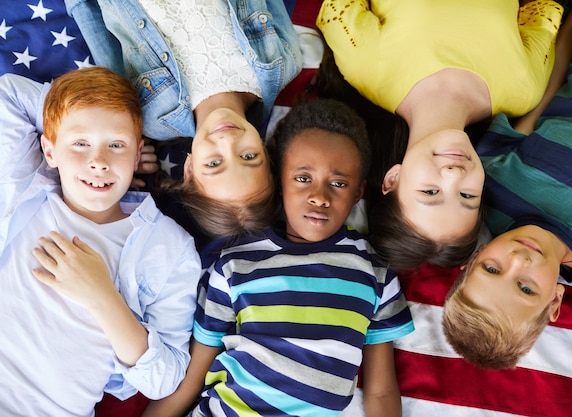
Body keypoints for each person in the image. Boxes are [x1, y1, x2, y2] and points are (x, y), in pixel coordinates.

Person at [141, 99, 415, 417]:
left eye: (338, 183)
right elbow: (192, 377)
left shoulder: (374, 273)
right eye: (302, 178)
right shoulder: (234, 265)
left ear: (358, 193)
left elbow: (381, 391)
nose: (319, 197)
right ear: (280, 180)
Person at [0, 67, 202, 416]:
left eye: (116, 146)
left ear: (137, 155)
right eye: (80, 143)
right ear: (49, 150)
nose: (99, 162)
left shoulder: (170, 247)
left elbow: (164, 380)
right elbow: (10, 93)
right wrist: (70, 118)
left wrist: (102, 297)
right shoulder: (27, 185)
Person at [316, 0, 565, 270]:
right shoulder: (524, 92)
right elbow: (543, 11)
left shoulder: (365, 67)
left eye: (430, 191)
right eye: (467, 196)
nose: (455, 174)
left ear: (393, 179)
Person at [64, 0, 302, 239]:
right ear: (265, 150)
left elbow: (103, 40)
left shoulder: (152, 116)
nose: (227, 141)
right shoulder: (281, 65)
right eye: (249, 156)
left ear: (189, 169)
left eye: (213, 163)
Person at [442, 0, 572, 370]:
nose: (518, 261)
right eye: (526, 288)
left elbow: (541, 97)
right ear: (554, 301)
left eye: (491, 269)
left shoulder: (492, 184)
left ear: (473, 259)